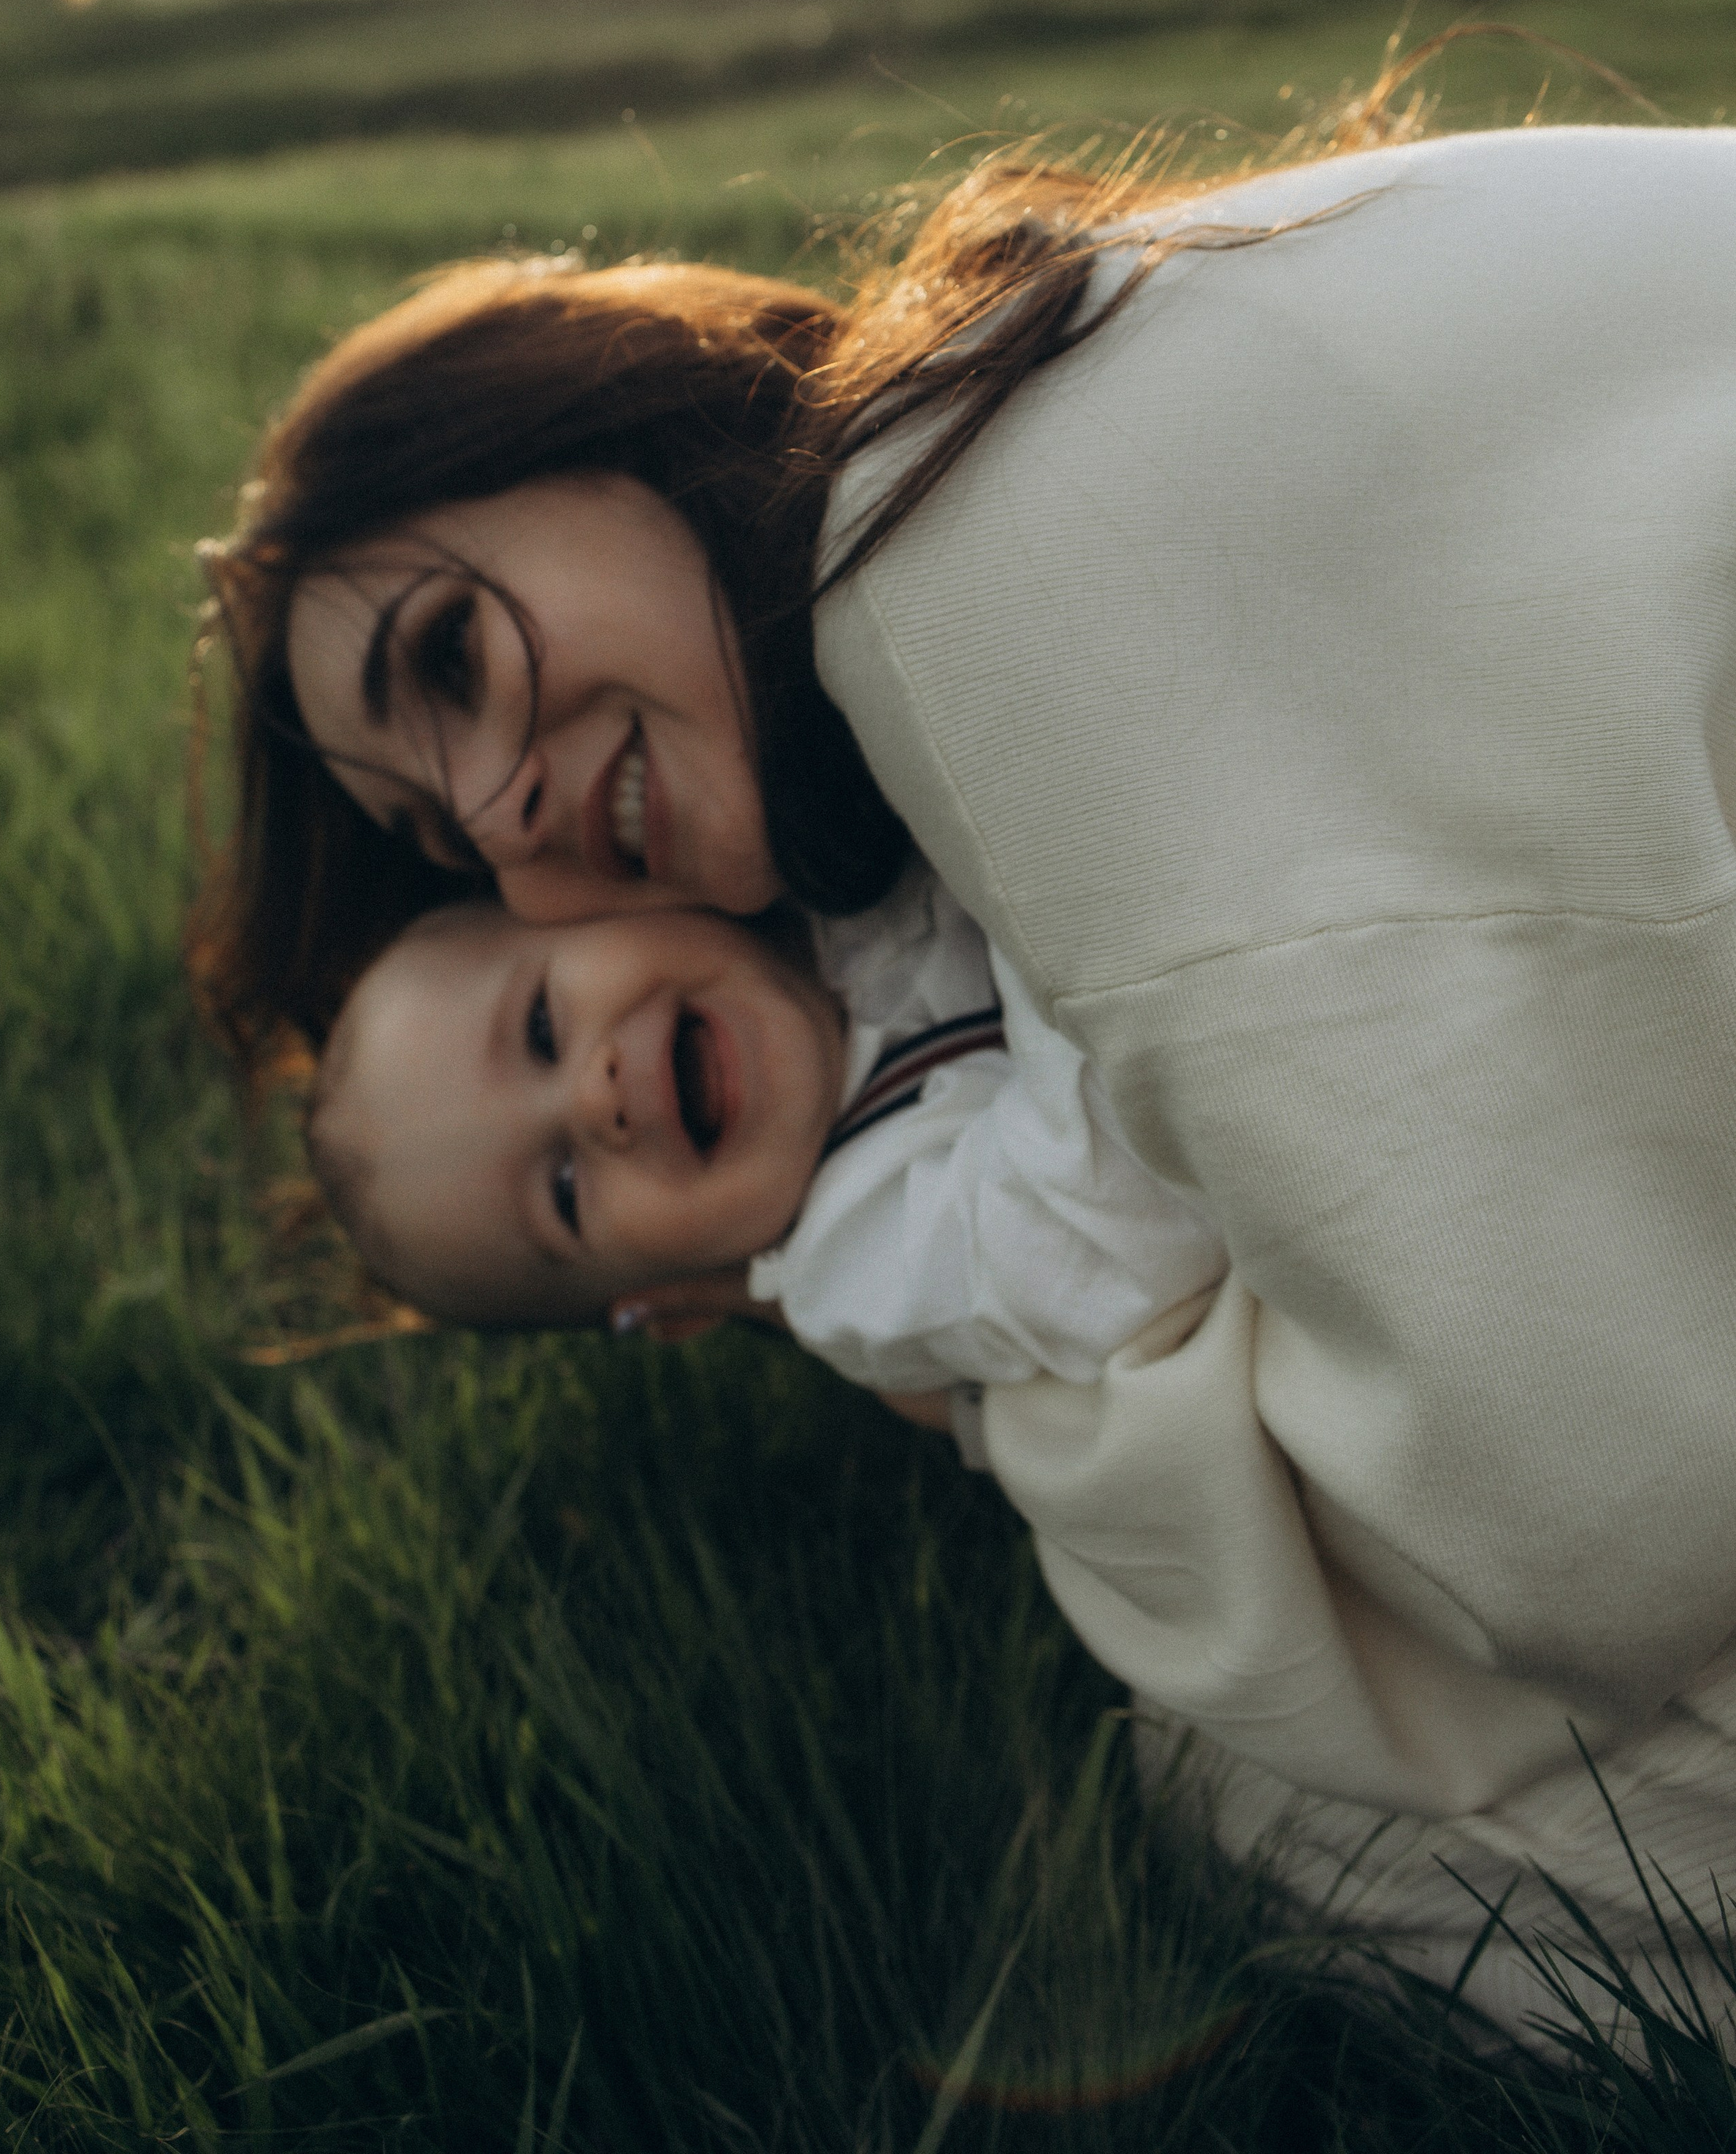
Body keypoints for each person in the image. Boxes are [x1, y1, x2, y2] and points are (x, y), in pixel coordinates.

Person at [193, 115, 1736, 2044]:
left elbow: (1589, 1523)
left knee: (1285, 1820)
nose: (506, 822)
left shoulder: (950, 568)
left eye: (447, 659)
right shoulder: (1040, 376)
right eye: (441, 840)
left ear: (589, 423)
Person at [304, 863, 1223, 1403]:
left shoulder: (824, 861)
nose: (593, 1103)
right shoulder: (863, 1266)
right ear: (680, 1302)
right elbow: (1127, 1223)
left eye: (542, 1026)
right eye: (565, 1193)